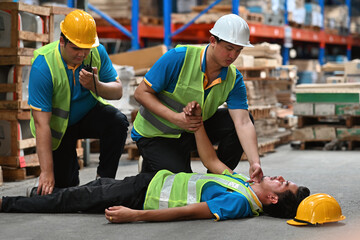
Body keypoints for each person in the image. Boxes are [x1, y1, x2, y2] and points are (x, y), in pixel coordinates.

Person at [0, 103, 310, 223]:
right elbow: (212, 161)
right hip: (149, 180)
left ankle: (7, 204)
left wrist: (137, 216)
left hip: (141, 196)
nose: (280, 177)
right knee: (90, 189)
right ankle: (37, 197)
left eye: (283, 184)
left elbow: (188, 212)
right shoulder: (243, 184)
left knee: (74, 198)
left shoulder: (240, 204)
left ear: (271, 198)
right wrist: (197, 122)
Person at [132, 14, 262, 182]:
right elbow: (141, 93)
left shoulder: (233, 78)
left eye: (238, 50)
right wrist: (176, 118)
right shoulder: (178, 58)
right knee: (182, 184)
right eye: (229, 48)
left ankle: (216, 179)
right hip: (156, 135)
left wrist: (255, 162)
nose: (233, 56)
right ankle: (150, 166)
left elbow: (243, 122)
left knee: (238, 122)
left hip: (192, 131)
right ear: (213, 41)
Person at [28, 10, 129, 195]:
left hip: (87, 116)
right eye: (76, 48)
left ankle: (104, 183)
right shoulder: (43, 66)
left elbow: (118, 92)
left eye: (86, 48)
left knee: (117, 122)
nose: (82, 54)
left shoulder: (96, 52)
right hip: (59, 130)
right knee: (66, 188)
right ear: (62, 41)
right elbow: (41, 124)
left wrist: (96, 85)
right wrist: (46, 172)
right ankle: (52, 183)